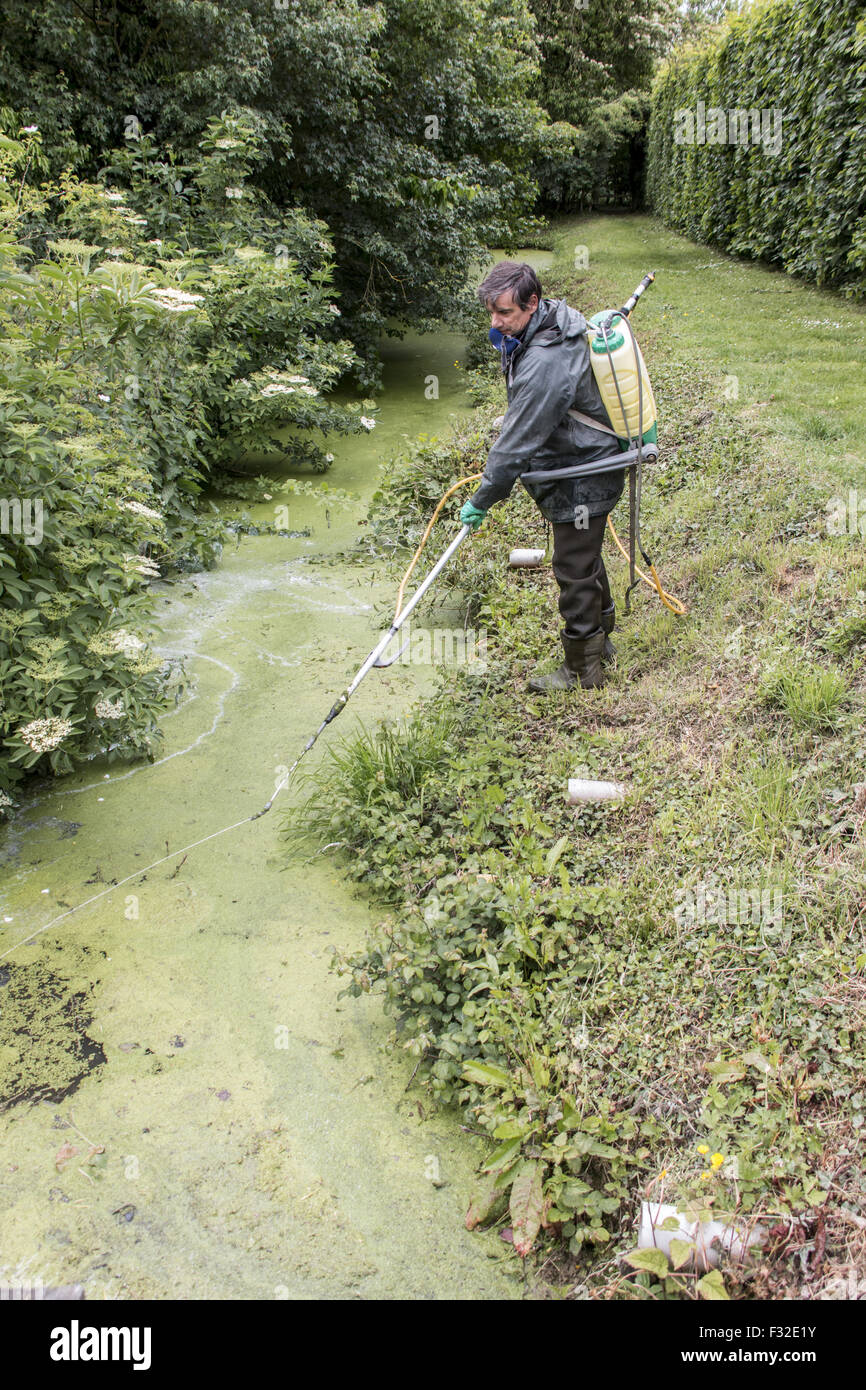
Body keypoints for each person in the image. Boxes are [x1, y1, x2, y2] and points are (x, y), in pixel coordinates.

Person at [460, 260, 624, 691]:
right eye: (491, 313)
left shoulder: (545, 364)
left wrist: (483, 498)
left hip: (585, 470)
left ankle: (582, 669)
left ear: (533, 303)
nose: (496, 323)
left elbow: (516, 444)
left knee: (572, 564)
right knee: (584, 554)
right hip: (578, 457)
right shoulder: (547, 324)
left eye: (505, 314)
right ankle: (604, 640)